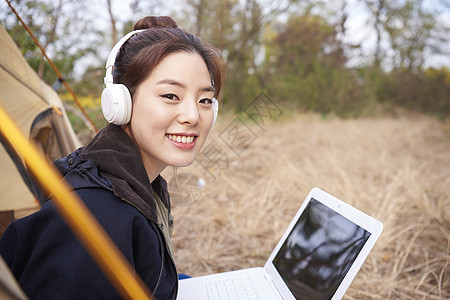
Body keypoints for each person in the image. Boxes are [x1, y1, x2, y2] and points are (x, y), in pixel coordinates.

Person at [0, 15, 225, 299]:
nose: (193, 116)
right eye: (171, 96)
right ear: (121, 103)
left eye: (205, 100)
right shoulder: (97, 219)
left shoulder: (138, 184)